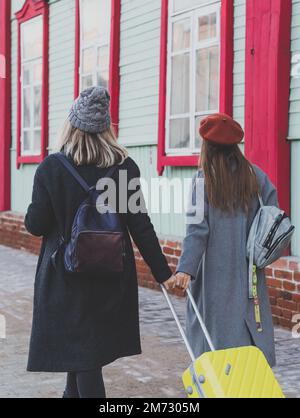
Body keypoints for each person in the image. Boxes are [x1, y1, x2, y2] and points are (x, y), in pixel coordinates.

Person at [25, 86, 175, 398]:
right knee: (82, 358)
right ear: (106, 128)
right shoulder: (124, 168)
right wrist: (163, 273)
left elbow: (35, 225)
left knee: (84, 359)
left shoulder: (52, 168)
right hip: (109, 278)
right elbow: (140, 226)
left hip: (64, 279)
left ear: (71, 125)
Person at [176, 113, 278, 367]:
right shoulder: (255, 176)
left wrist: (185, 269)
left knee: (213, 343)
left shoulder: (203, 180)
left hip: (214, 278)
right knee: (247, 334)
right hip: (249, 272)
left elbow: (197, 231)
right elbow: (274, 215)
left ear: (207, 147)